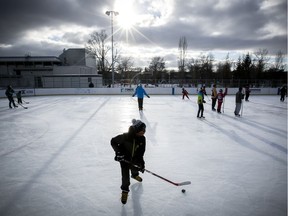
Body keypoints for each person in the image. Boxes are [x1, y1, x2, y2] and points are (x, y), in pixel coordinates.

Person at [111, 119, 147, 204]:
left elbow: (141, 153)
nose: (144, 132)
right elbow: (113, 141)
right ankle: (125, 191)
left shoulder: (142, 139)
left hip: (134, 159)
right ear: (137, 130)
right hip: (124, 160)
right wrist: (118, 153)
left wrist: (142, 164)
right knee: (125, 178)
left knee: (135, 168)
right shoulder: (126, 136)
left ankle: (134, 175)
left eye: (144, 130)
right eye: (142, 131)